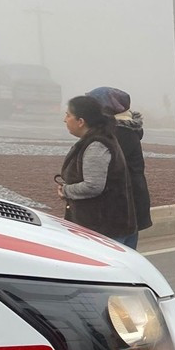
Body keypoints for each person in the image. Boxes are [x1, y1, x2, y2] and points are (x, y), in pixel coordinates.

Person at [58, 95, 136, 244]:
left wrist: (66, 190)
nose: (65, 119)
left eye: (68, 115)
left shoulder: (96, 145)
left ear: (81, 121)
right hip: (104, 227)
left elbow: (93, 186)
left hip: (103, 230)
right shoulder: (98, 139)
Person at [87, 86, 152, 249]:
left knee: (116, 259)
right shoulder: (125, 131)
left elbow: (104, 171)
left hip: (121, 208)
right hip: (130, 204)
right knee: (126, 255)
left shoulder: (119, 134)